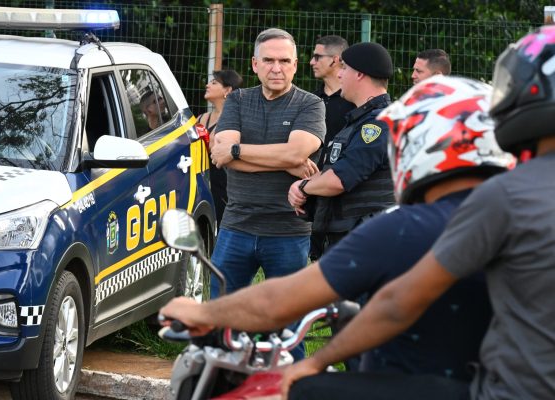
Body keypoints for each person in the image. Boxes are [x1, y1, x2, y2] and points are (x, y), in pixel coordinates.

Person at [160, 75, 514, 388]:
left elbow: (278, 301)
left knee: (302, 389)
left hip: (427, 386)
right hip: (507, 384)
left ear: (420, 145)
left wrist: (203, 313)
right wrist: (318, 360)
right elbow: (393, 307)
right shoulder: (524, 217)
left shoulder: (402, 228)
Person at [282, 26, 555, 400]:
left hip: (512, 391)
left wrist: (315, 362)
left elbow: (397, 303)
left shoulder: (506, 197)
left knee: (311, 389)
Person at [207, 28, 326, 358]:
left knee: (289, 329)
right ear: (255, 64)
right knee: (219, 319)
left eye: (285, 61)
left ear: (296, 65)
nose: (277, 68)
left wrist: (237, 150)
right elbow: (220, 156)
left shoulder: (310, 104)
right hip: (236, 226)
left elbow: (293, 153)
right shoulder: (237, 100)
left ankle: (290, 388)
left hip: (288, 231)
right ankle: (218, 383)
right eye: (269, 60)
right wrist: (286, 161)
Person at [288, 42, 394, 253]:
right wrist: (307, 184)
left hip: (368, 243)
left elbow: (339, 179)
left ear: (360, 74)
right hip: (353, 238)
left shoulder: (378, 124)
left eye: (344, 68)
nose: (339, 75)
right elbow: (333, 170)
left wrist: (302, 187)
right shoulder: (360, 120)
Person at [308, 35, 356, 261]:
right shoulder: (309, 100)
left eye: (318, 56)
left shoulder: (355, 103)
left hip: (344, 190)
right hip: (309, 187)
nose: (311, 61)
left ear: (336, 60)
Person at [197, 69, 243, 228]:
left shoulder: (232, 119)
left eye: (214, 83)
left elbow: (214, 148)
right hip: (202, 178)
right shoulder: (203, 117)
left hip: (222, 183)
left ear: (227, 90)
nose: (207, 85)